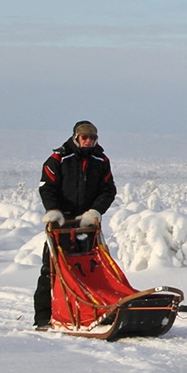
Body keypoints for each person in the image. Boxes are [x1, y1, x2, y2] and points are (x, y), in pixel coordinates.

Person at [34, 120, 117, 330]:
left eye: (93, 138)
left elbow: (108, 190)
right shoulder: (59, 159)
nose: (89, 141)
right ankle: (43, 318)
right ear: (76, 137)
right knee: (51, 269)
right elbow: (47, 187)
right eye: (85, 138)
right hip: (61, 223)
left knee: (90, 269)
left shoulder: (101, 160)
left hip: (87, 224)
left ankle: (91, 311)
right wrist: (54, 211)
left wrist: (95, 211)